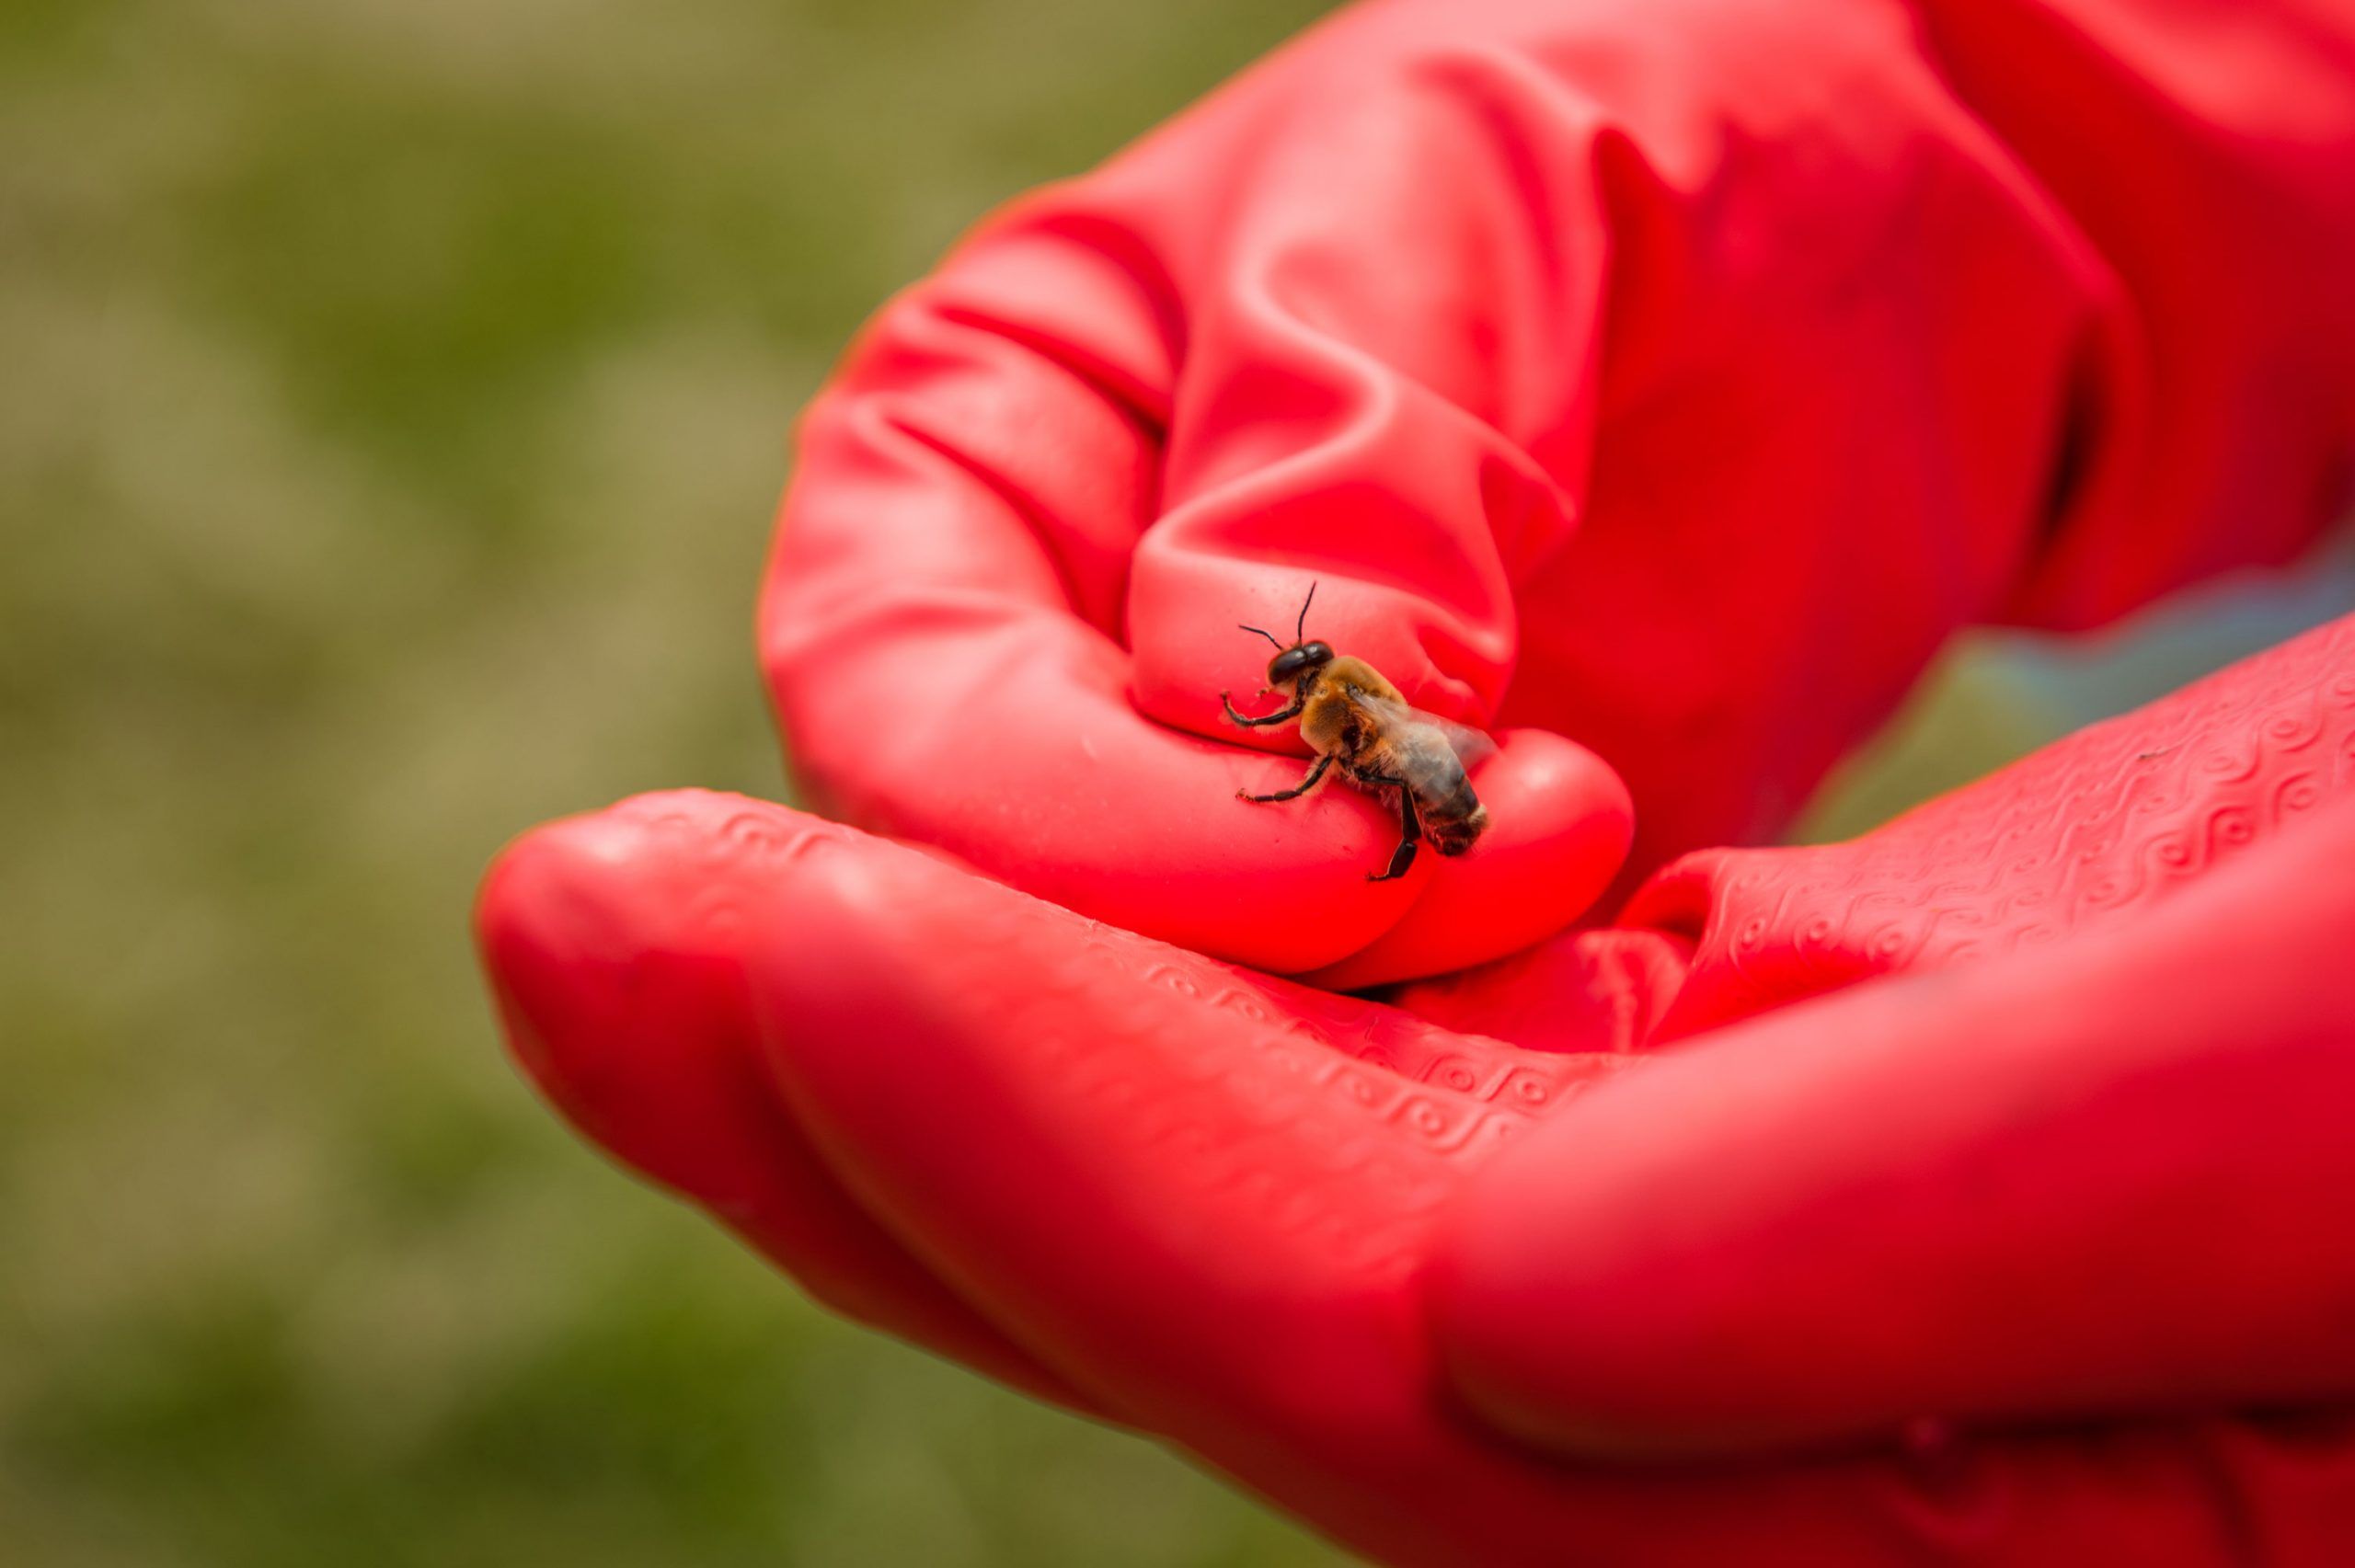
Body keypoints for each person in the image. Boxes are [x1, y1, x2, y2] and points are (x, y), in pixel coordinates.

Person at [477, 0, 2355, 1561]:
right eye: (1306, 675)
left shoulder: (1351, 724)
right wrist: (2038, 78)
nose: (1306, 683)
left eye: (1310, 675)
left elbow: (1376, 749)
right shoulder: (1343, 698)